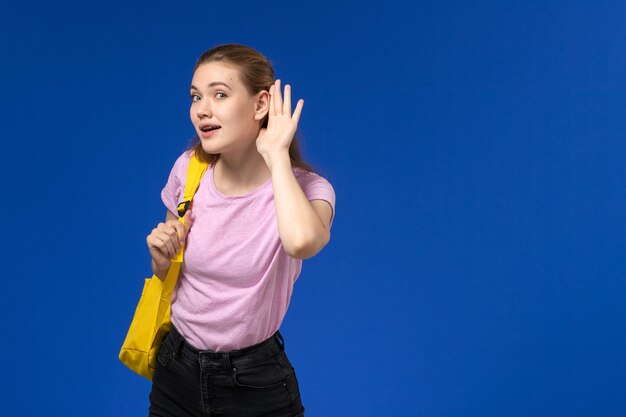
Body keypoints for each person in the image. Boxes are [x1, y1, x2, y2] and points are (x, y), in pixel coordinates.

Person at [145, 44, 336, 417]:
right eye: (196, 97)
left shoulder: (310, 190)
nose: (202, 109)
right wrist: (161, 256)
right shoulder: (189, 170)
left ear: (261, 104)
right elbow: (169, 274)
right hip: (176, 370)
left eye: (219, 94)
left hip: (255, 383)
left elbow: (301, 243)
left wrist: (277, 154)